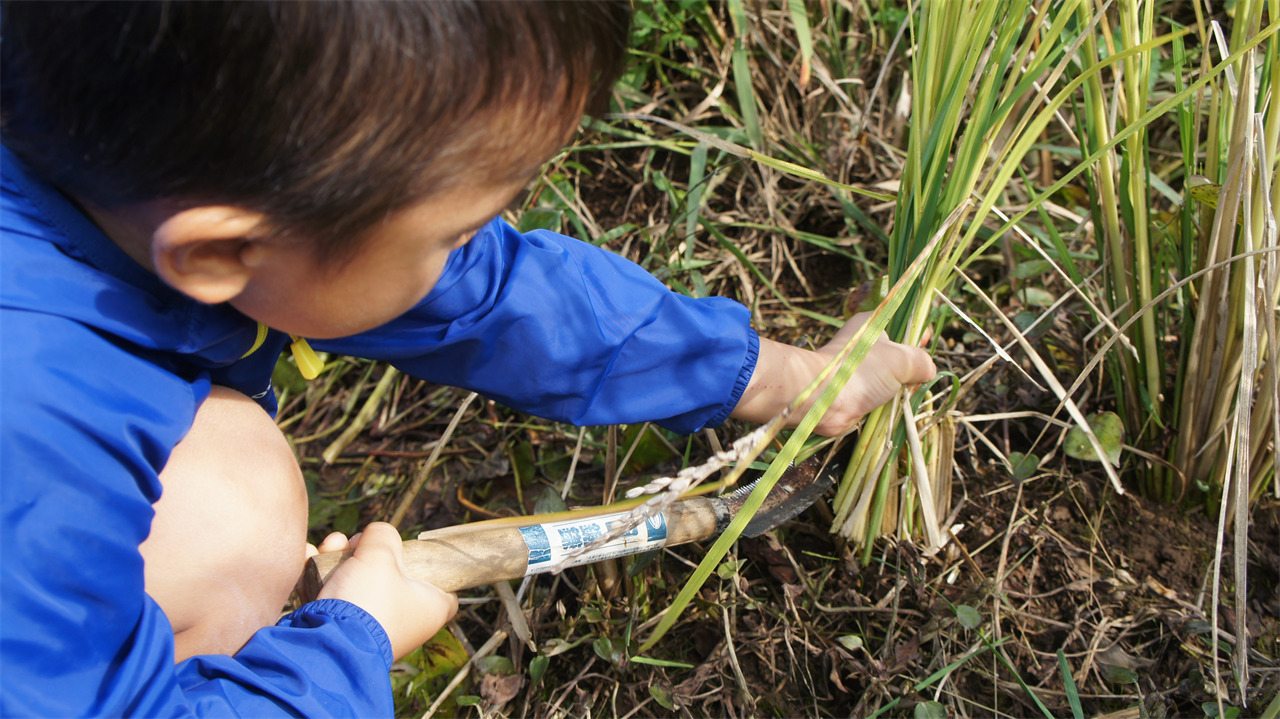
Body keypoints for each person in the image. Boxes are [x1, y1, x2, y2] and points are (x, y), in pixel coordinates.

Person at [0, 1, 936, 716]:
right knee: (232, 519)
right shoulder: (32, 431)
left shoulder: (122, 162)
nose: (472, 250)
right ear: (217, 255)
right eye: (455, 229)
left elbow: (483, 296)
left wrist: (771, 374)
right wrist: (347, 646)